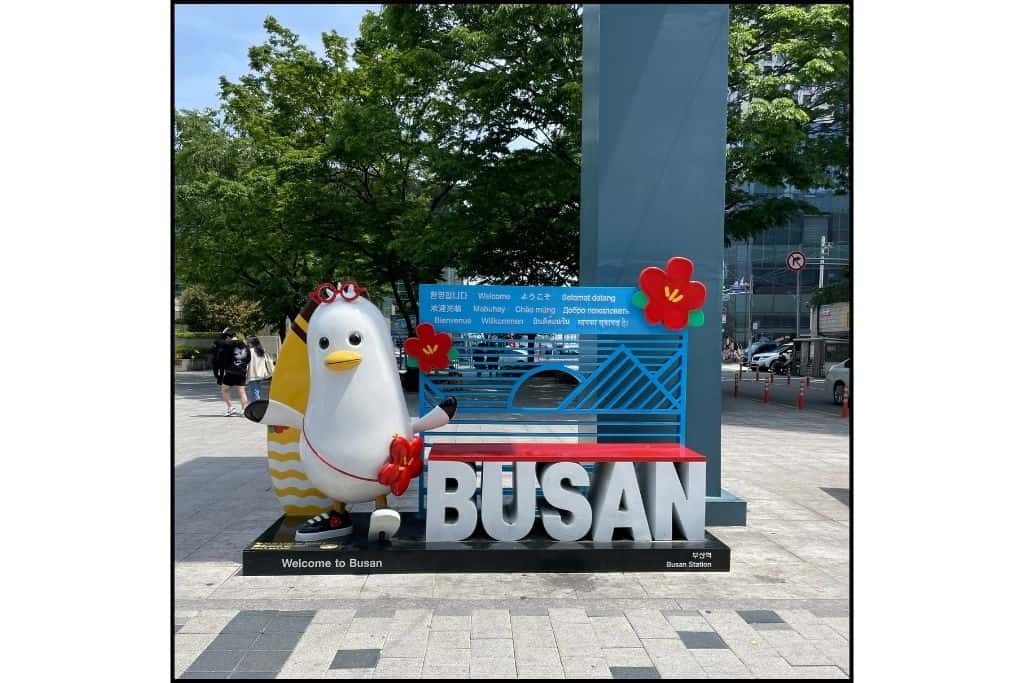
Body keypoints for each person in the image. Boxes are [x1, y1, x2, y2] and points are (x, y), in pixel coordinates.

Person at [212, 328, 250, 416]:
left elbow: (217, 342)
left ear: (229, 337)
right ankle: (244, 410)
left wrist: (222, 333)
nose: (226, 339)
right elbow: (248, 358)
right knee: (242, 391)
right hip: (242, 371)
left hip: (231, 371)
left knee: (224, 390)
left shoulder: (229, 344)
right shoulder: (244, 345)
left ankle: (230, 408)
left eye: (226, 337)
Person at [246, 336, 275, 401]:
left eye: (248, 342)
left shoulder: (249, 351)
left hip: (252, 374)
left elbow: (246, 363)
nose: (247, 343)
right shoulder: (261, 350)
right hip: (261, 374)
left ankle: (256, 407)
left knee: (254, 393)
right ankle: (255, 407)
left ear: (251, 343)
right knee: (257, 391)